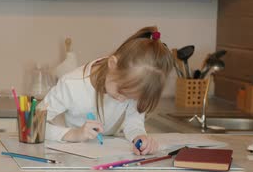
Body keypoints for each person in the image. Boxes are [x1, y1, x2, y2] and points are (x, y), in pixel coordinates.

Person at [43, 26, 174, 155]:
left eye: (132, 98)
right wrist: (74, 134)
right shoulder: (72, 84)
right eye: (122, 92)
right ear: (112, 64)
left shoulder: (134, 85)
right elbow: (33, 123)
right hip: (71, 162)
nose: (123, 100)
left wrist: (139, 137)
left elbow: (133, 123)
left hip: (109, 160)